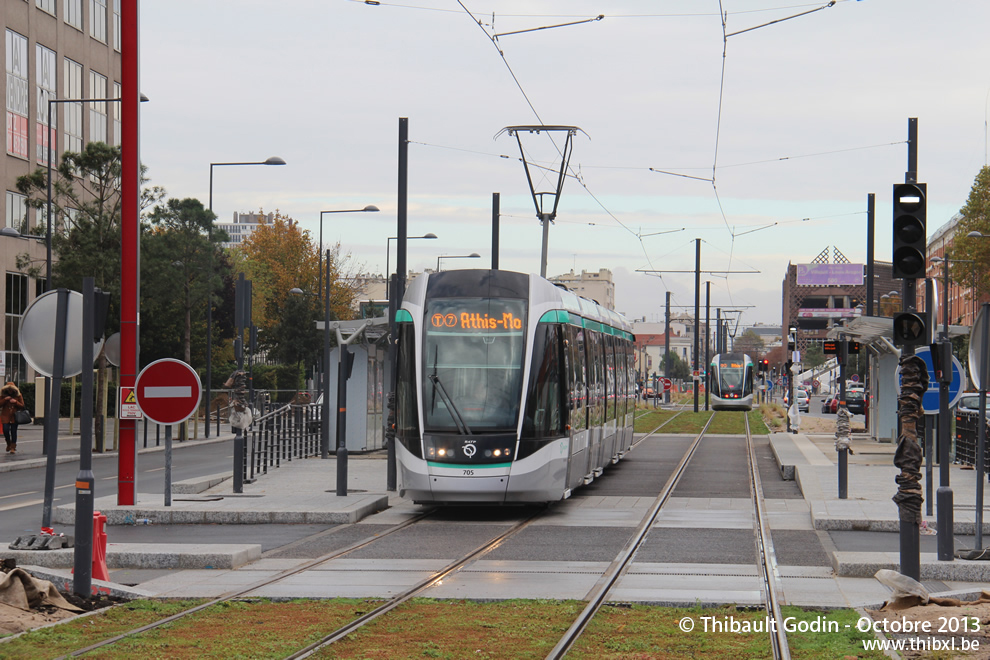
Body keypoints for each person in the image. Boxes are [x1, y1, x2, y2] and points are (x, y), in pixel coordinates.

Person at [2, 382, 26, 454]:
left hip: (14, 416)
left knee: (13, 431)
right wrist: (5, 399)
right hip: (5, 415)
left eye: (11, 389)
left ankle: (13, 447)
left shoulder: (18, 395)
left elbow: (22, 406)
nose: (10, 391)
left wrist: (15, 402)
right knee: (5, 430)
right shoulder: (3, 395)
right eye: (8, 389)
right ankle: (8, 443)